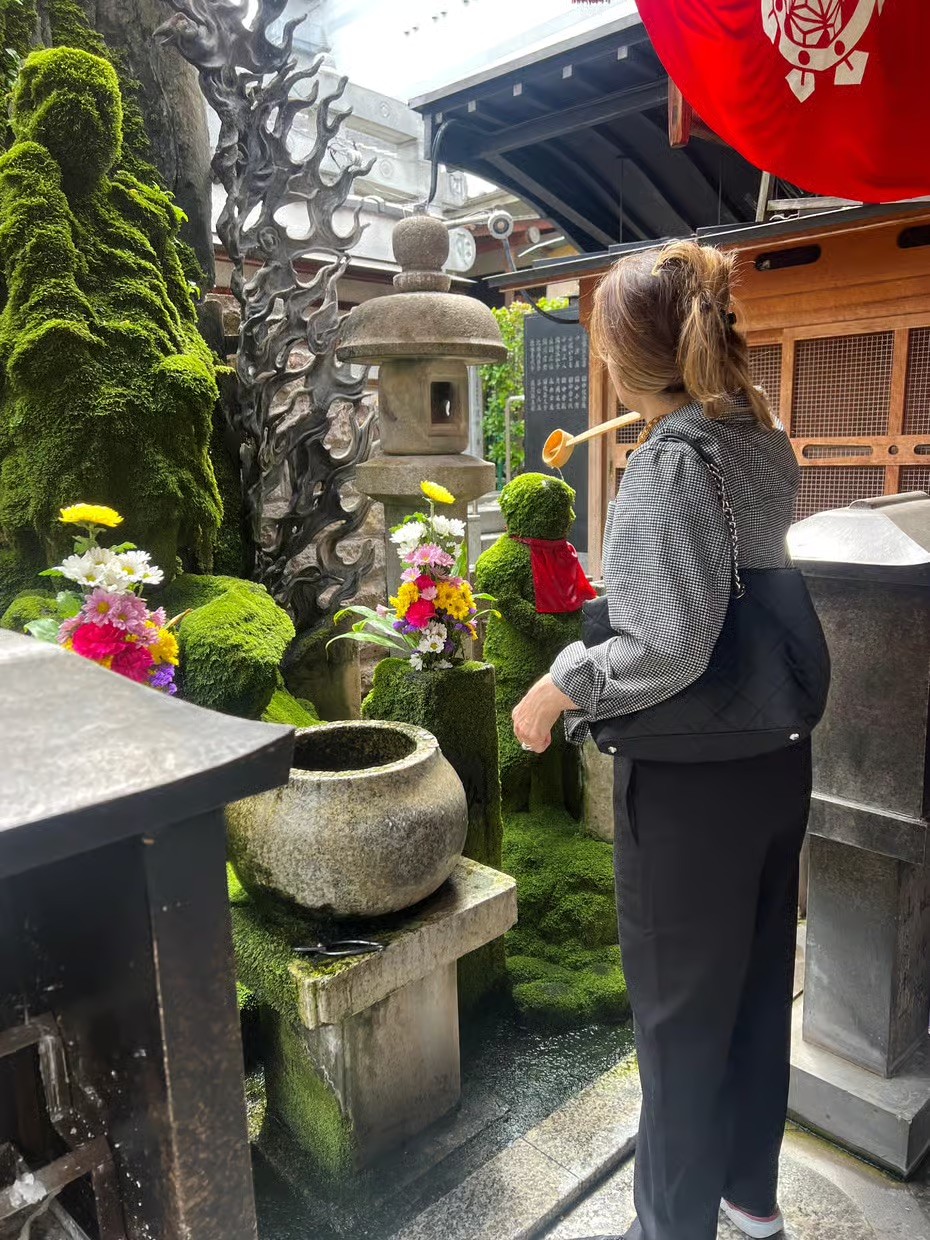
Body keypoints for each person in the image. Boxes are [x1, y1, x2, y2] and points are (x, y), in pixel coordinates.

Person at [512, 240, 810, 1240]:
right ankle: (750, 1202)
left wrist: (561, 683)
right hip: (773, 748)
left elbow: (667, 645)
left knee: (680, 1025)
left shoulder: (671, 462)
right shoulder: (758, 436)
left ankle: (669, 1229)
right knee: (758, 987)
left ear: (628, 357)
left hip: (693, 780)